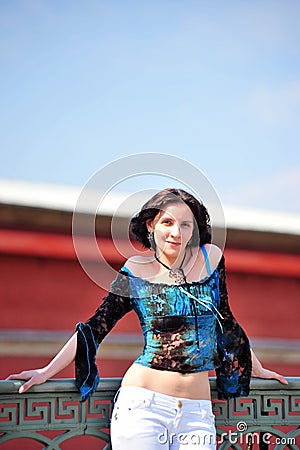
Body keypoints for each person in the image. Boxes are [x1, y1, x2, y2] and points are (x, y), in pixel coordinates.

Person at [7, 188, 287, 449]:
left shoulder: (210, 258)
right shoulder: (137, 270)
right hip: (143, 407)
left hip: (197, 413)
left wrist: (254, 366)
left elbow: (224, 319)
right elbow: (96, 327)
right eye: (167, 222)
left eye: (186, 224)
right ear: (151, 225)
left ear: (195, 229)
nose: (176, 232)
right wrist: (45, 372)